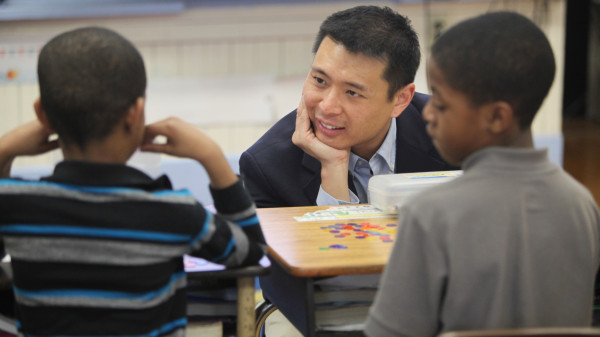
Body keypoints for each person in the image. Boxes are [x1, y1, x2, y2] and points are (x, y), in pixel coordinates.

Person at [0, 27, 266, 337]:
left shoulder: (17, 205)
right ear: (136, 112)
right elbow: (252, 251)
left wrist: (4, 150)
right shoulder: (172, 210)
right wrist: (211, 157)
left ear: (41, 115)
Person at [365, 11, 600, 337]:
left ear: (497, 117)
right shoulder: (582, 204)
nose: (427, 113)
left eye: (442, 104)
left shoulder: (430, 213)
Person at [239, 5, 457, 208]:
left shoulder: (456, 132)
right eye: (320, 80)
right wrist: (333, 170)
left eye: (352, 92)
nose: (327, 107)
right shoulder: (268, 168)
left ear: (400, 99)